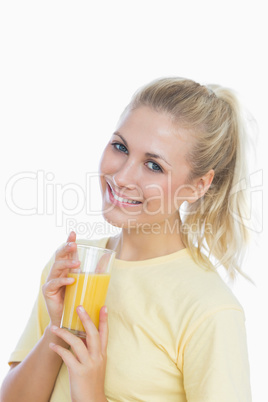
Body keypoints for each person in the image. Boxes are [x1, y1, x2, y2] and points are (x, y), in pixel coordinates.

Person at [1, 77, 252, 401]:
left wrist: (91, 392)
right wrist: (59, 331)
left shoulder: (208, 309)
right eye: (120, 147)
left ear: (198, 185)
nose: (121, 177)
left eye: (153, 165)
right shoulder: (73, 266)